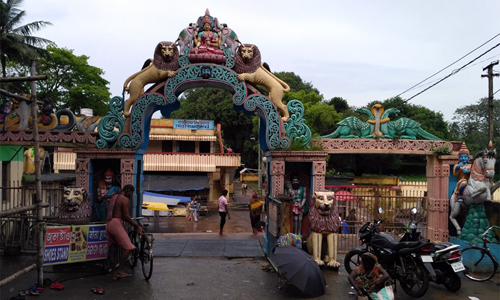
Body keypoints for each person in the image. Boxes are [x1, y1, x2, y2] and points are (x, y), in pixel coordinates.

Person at [106, 184, 143, 280]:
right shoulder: (124, 199)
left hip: (109, 223)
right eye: (131, 192)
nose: (131, 195)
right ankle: (120, 271)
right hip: (116, 224)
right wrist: (136, 225)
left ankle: (114, 273)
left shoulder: (114, 197)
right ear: (128, 190)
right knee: (129, 247)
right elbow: (126, 216)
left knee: (112, 249)